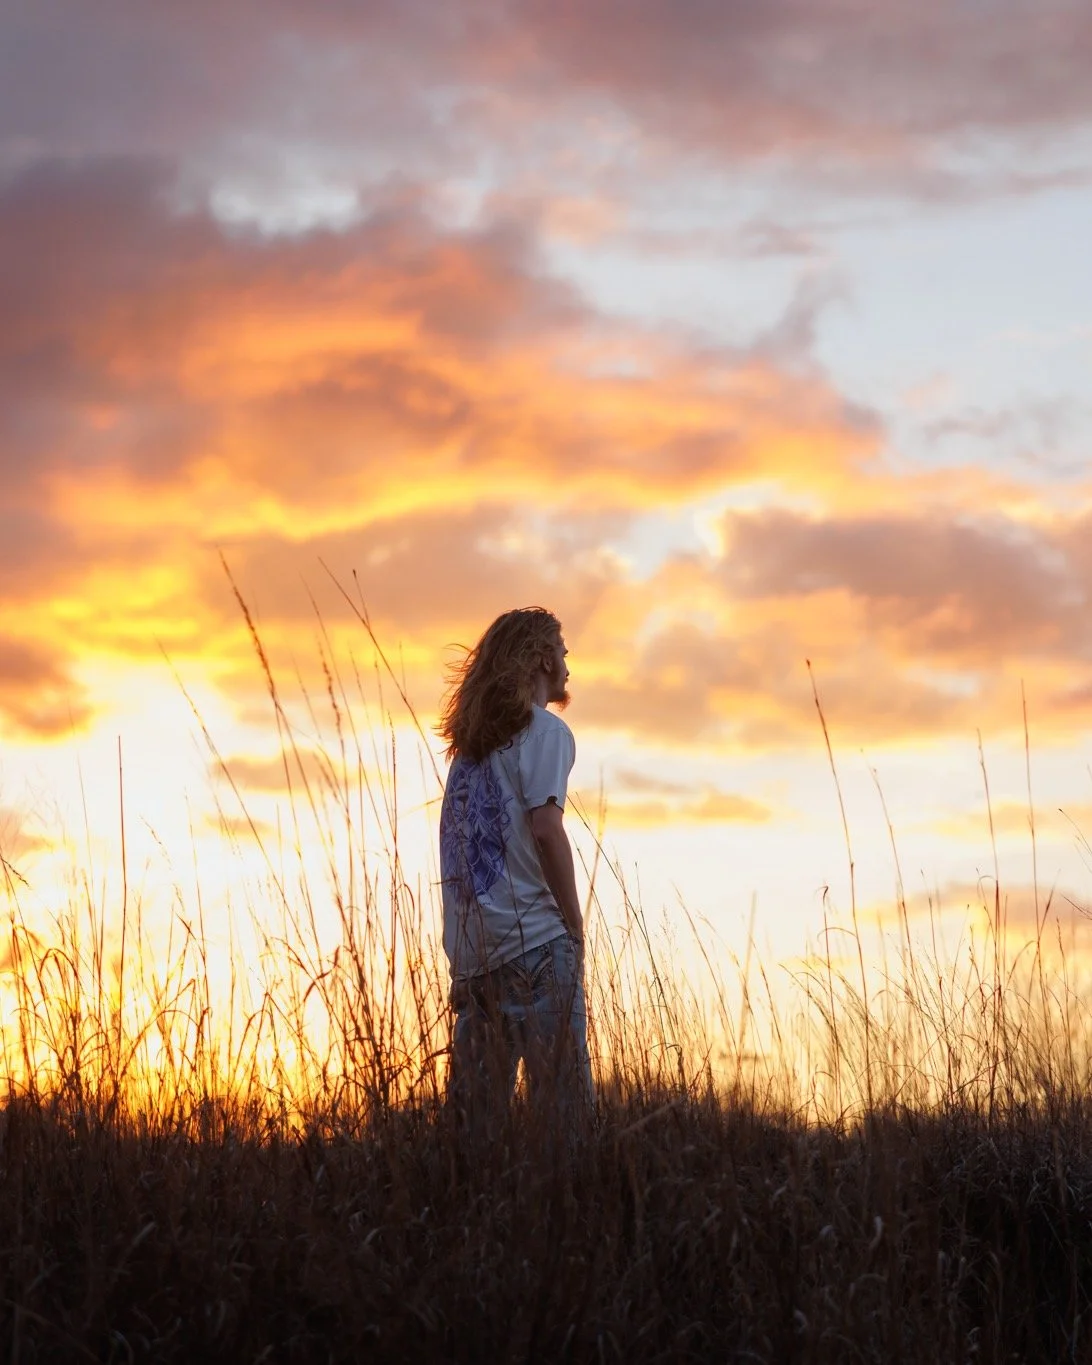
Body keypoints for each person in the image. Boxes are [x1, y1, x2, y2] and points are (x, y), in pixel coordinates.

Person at [437, 607, 593, 1133]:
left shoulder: (471, 754)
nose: (568, 660)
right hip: (536, 945)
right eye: (562, 648)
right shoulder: (546, 731)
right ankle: (563, 1217)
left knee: (474, 1140)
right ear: (544, 657)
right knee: (563, 1124)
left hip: (475, 961)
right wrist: (573, 926)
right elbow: (546, 830)